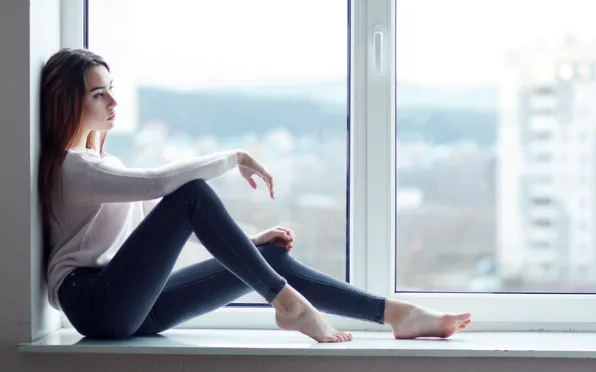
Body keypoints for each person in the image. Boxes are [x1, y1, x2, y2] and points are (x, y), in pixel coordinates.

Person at [38, 48, 471, 343]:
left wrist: (249, 243)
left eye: (111, 88)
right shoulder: (73, 168)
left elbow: (162, 223)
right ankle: (287, 304)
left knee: (271, 259)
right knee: (192, 194)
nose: (113, 101)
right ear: (67, 103)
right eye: (99, 94)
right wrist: (234, 157)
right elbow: (162, 187)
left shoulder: (101, 164)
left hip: (131, 303)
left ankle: (398, 315)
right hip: (96, 303)